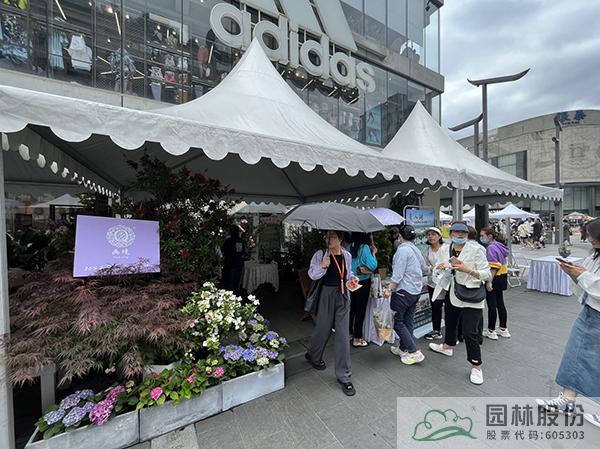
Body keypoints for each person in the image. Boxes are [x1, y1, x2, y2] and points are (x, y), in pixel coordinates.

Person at [536, 218, 600, 429]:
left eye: (591, 235)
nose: (588, 238)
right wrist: (574, 273)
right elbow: (585, 278)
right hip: (590, 312)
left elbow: (592, 282)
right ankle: (567, 399)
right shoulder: (594, 254)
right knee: (575, 354)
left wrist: (582, 275)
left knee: (593, 360)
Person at [429, 222, 491, 385]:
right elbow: (437, 268)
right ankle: (447, 346)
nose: (459, 235)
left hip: (472, 295)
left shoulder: (476, 250)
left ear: (467, 235)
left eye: (462, 233)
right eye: (456, 232)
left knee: (470, 332)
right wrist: (440, 267)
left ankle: (476, 365)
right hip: (452, 292)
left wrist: (468, 270)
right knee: (450, 322)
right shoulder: (445, 249)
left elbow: (487, 274)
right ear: (450, 234)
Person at [305, 230, 360, 396]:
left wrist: (353, 279)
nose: (329, 240)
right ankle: (313, 356)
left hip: (343, 295)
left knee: (343, 334)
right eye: (327, 237)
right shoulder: (321, 254)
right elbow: (312, 274)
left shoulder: (347, 255)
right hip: (326, 295)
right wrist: (323, 266)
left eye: (333, 237)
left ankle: (344, 376)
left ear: (340, 239)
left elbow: (348, 273)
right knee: (323, 329)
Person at [383, 224, 427, 365]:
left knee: (398, 323)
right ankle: (403, 348)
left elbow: (397, 274)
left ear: (400, 236)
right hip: (415, 291)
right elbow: (424, 268)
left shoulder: (402, 251)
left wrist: (389, 289)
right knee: (408, 321)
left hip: (403, 292)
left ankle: (414, 351)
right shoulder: (415, 249)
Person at [480, 227, 511, 340]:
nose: (481, 238)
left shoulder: (491, 247)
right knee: (500, 304)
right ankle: (503, 328)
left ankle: (491, 330)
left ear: (489, 236)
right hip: (502, 276)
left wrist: (489, 281)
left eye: (482, 236)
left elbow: (493, 266)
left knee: (492, 305)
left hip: (494, 277)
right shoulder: (500, 246)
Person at [349, 232, 378, 347]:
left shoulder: (349, 246)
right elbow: (372, 265)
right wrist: (374, 253)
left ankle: (348, 333)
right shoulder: (364, 247)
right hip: (363, 281)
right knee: (360, 310)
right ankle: (357, 338)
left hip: (351, 281)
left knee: (351, 309)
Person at [422, 227, 449, 341]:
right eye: (428, 235)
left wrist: (445, 266)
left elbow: (451, 262)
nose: (431, 237)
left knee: (449, 308)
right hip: (433, 282)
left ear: (439, 236)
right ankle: (436, 330)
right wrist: (432, 269)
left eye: (433, 234)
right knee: (435, 307)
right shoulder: (426, 250)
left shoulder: (446, 248)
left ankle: (453, 332)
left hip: (447, 282)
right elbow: (424, 267)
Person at [221, 225, 246, 293]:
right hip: (239, 264)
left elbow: (223, 250)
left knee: (230, 282)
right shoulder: (241, 241)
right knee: (237, 282)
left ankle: (231, 296)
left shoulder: (229, 241)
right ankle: (236, 295)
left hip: (230, 264)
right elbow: (243, 252)